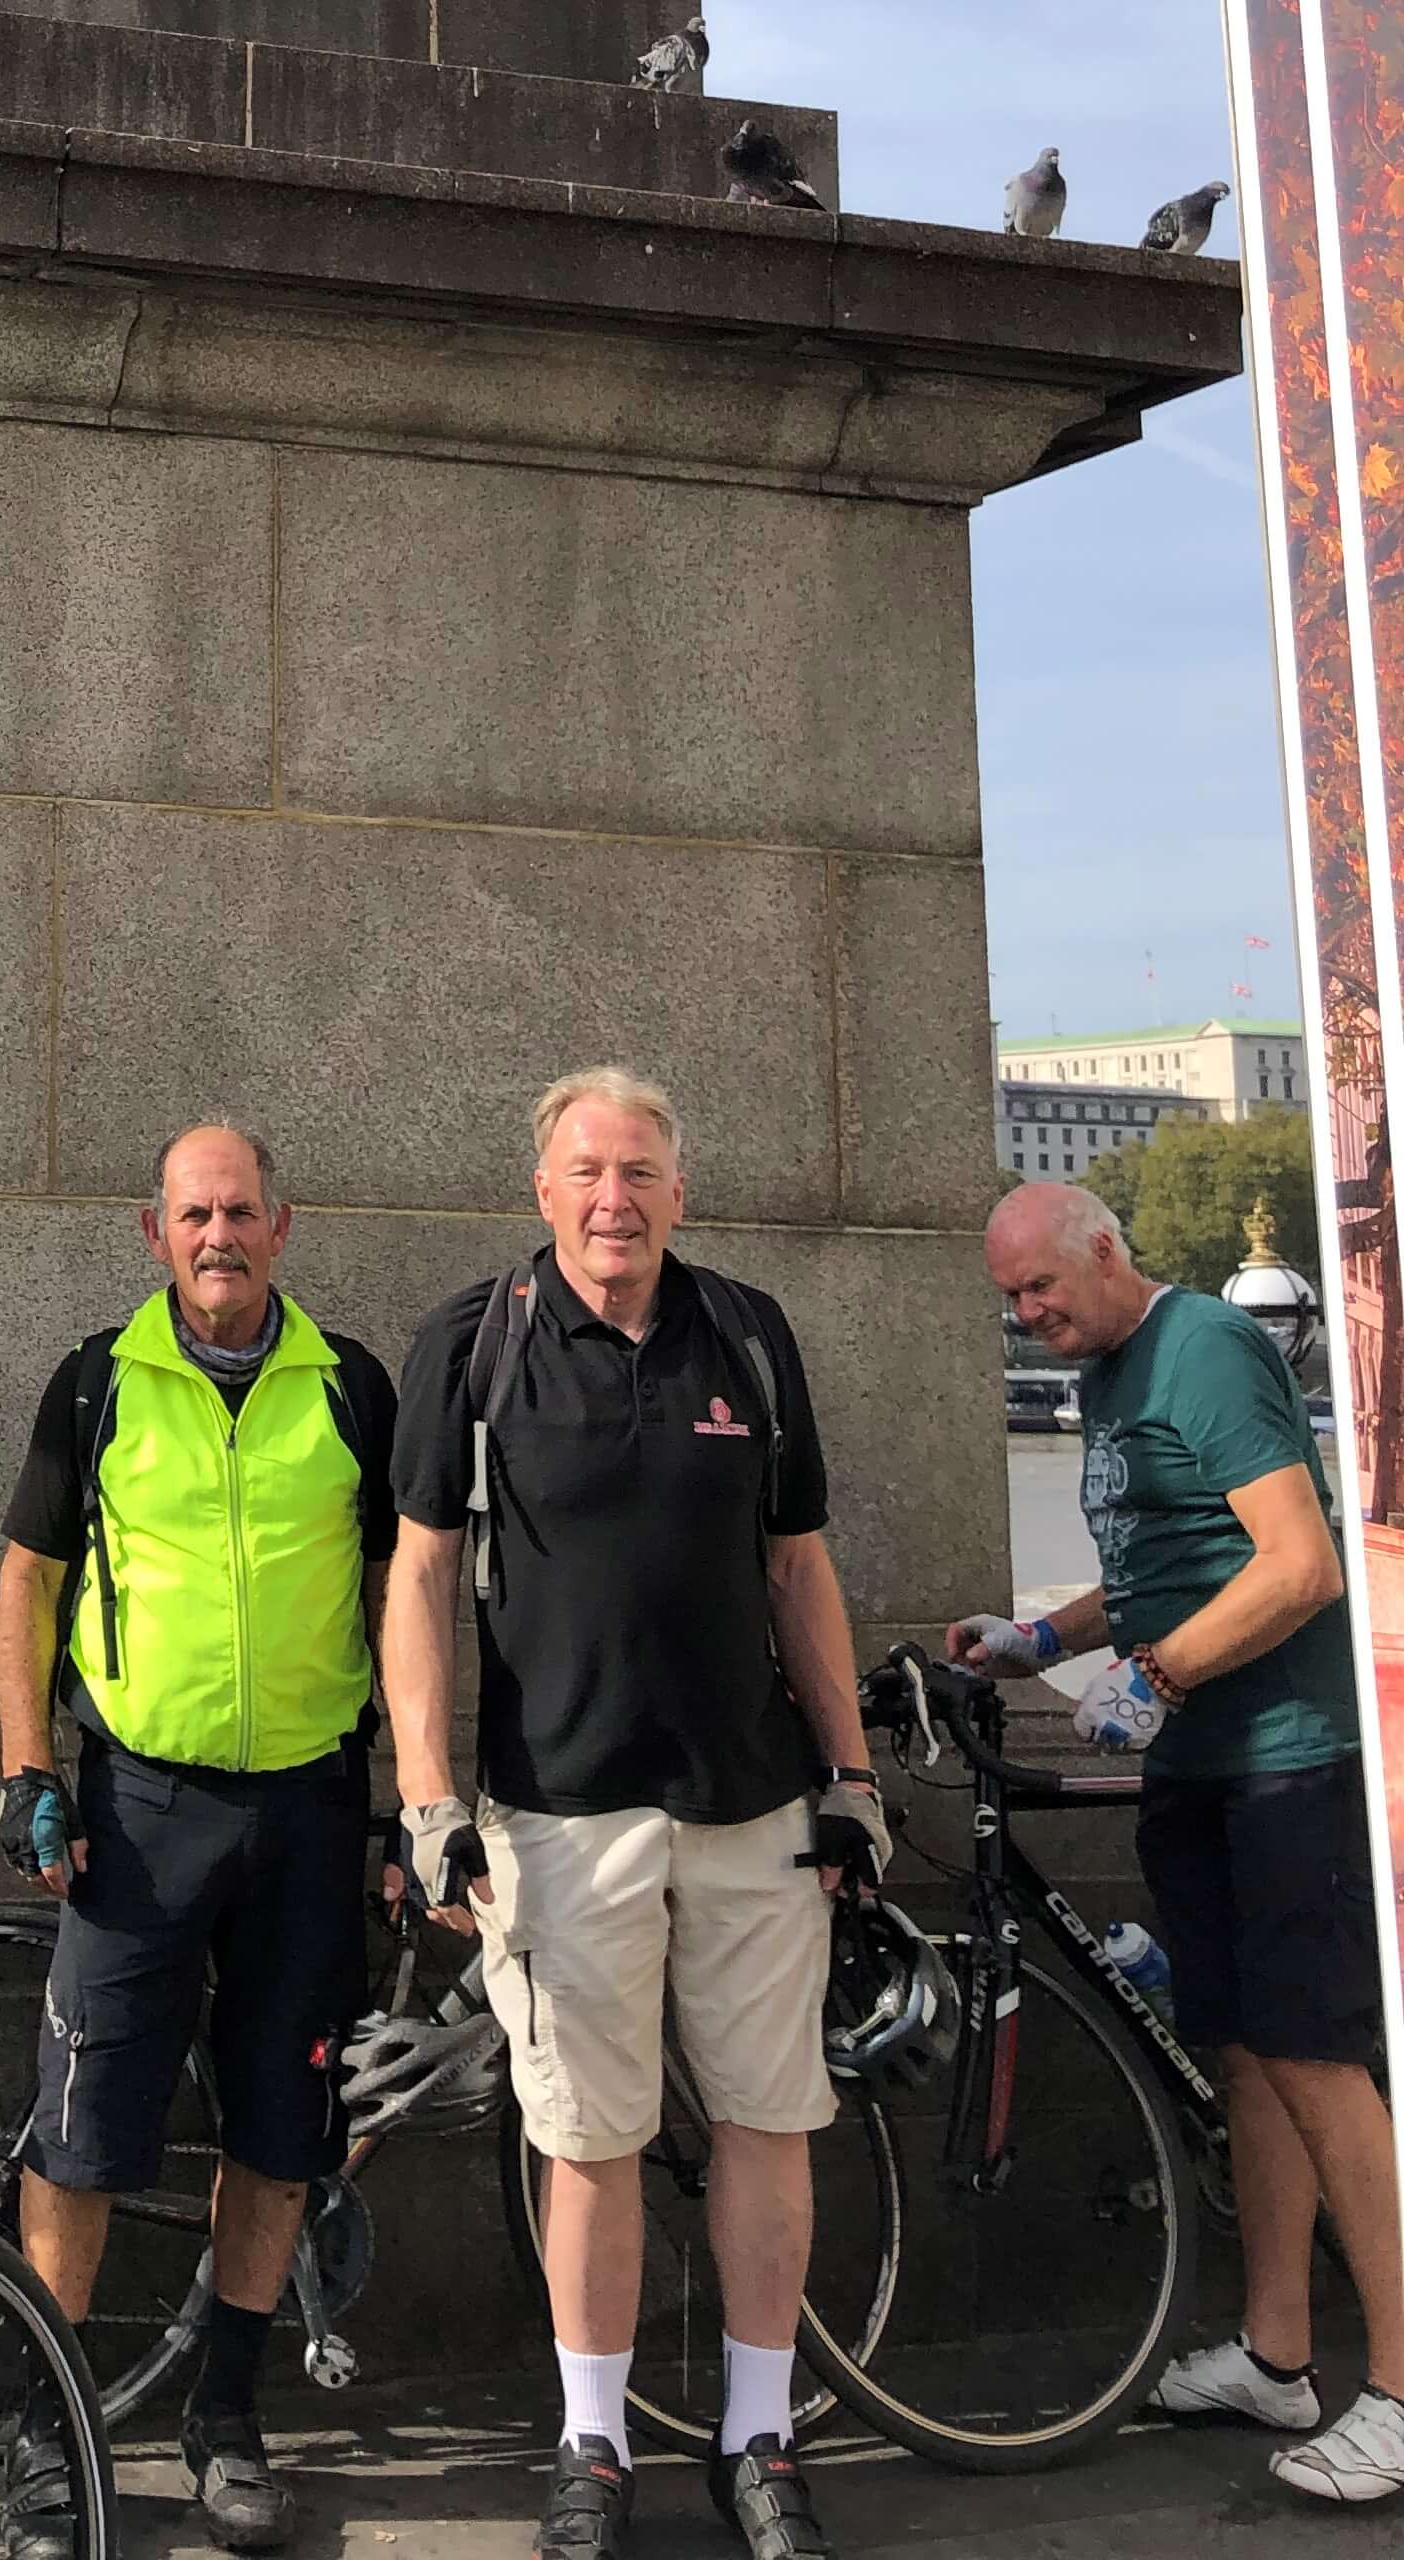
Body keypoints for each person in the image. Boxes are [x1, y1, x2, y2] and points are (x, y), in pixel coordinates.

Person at [383, 1069, 880, 2560]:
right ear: (542, 1192)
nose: (616, 1199)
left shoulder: (749, 1335)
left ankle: (760, 2437)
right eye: (589, 1171)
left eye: (642, 1172)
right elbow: (414, 1577)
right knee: (591, 2139)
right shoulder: (477, 1343)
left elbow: (799, 1571)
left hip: (750, 1803)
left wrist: (850, 1773)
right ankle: (592, 2446)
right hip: (560, 1807)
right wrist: (423, 1800)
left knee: (766, 2122)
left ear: (680, 1190)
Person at [950, 1181, 1404, 2506]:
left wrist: (1153, 1676)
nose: (1026, 1317)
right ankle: (1276, 2351)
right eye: (1008, 1302)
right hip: (1207, 1766)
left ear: (1107, 1251)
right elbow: (1177, 1559)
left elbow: (1300, 1562)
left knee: (1318, 2061)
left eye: (1040, 1288)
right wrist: (1045, 1637)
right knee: (1252, 2058)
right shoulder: (1111, 1369)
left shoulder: (1203, 1344)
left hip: (1291, 1762)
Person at [0, 1120, 398, 2555]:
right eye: (193, 1214)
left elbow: (399, 1603)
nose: (218, 1236)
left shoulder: (350, 1386)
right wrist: (28, 1767)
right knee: (86, 2133)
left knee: (281, 2133)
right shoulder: (100, 1381)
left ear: (283, 1227)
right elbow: (28, 1585)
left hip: (308, 1807)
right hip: (139, 1808)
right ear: (150, 1232)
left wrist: (410, 1797)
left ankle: (226, 2417)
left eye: (241, 1212)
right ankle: (50, 2435)